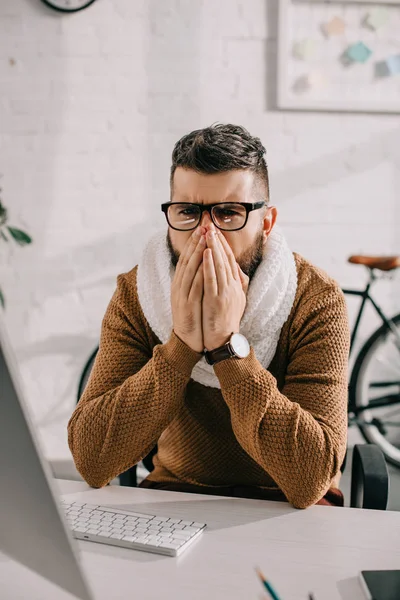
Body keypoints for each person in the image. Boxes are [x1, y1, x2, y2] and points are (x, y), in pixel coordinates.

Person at [68, 124, 350, 509]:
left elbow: (310, 479)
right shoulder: (138, 292)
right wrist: (181, 344)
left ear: (266, 223)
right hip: (175, 498)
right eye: (187, 211)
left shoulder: (315, 298)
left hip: (287, 508)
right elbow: (92, 460)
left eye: (228, 213)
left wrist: (226, 348)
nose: (206, 234)